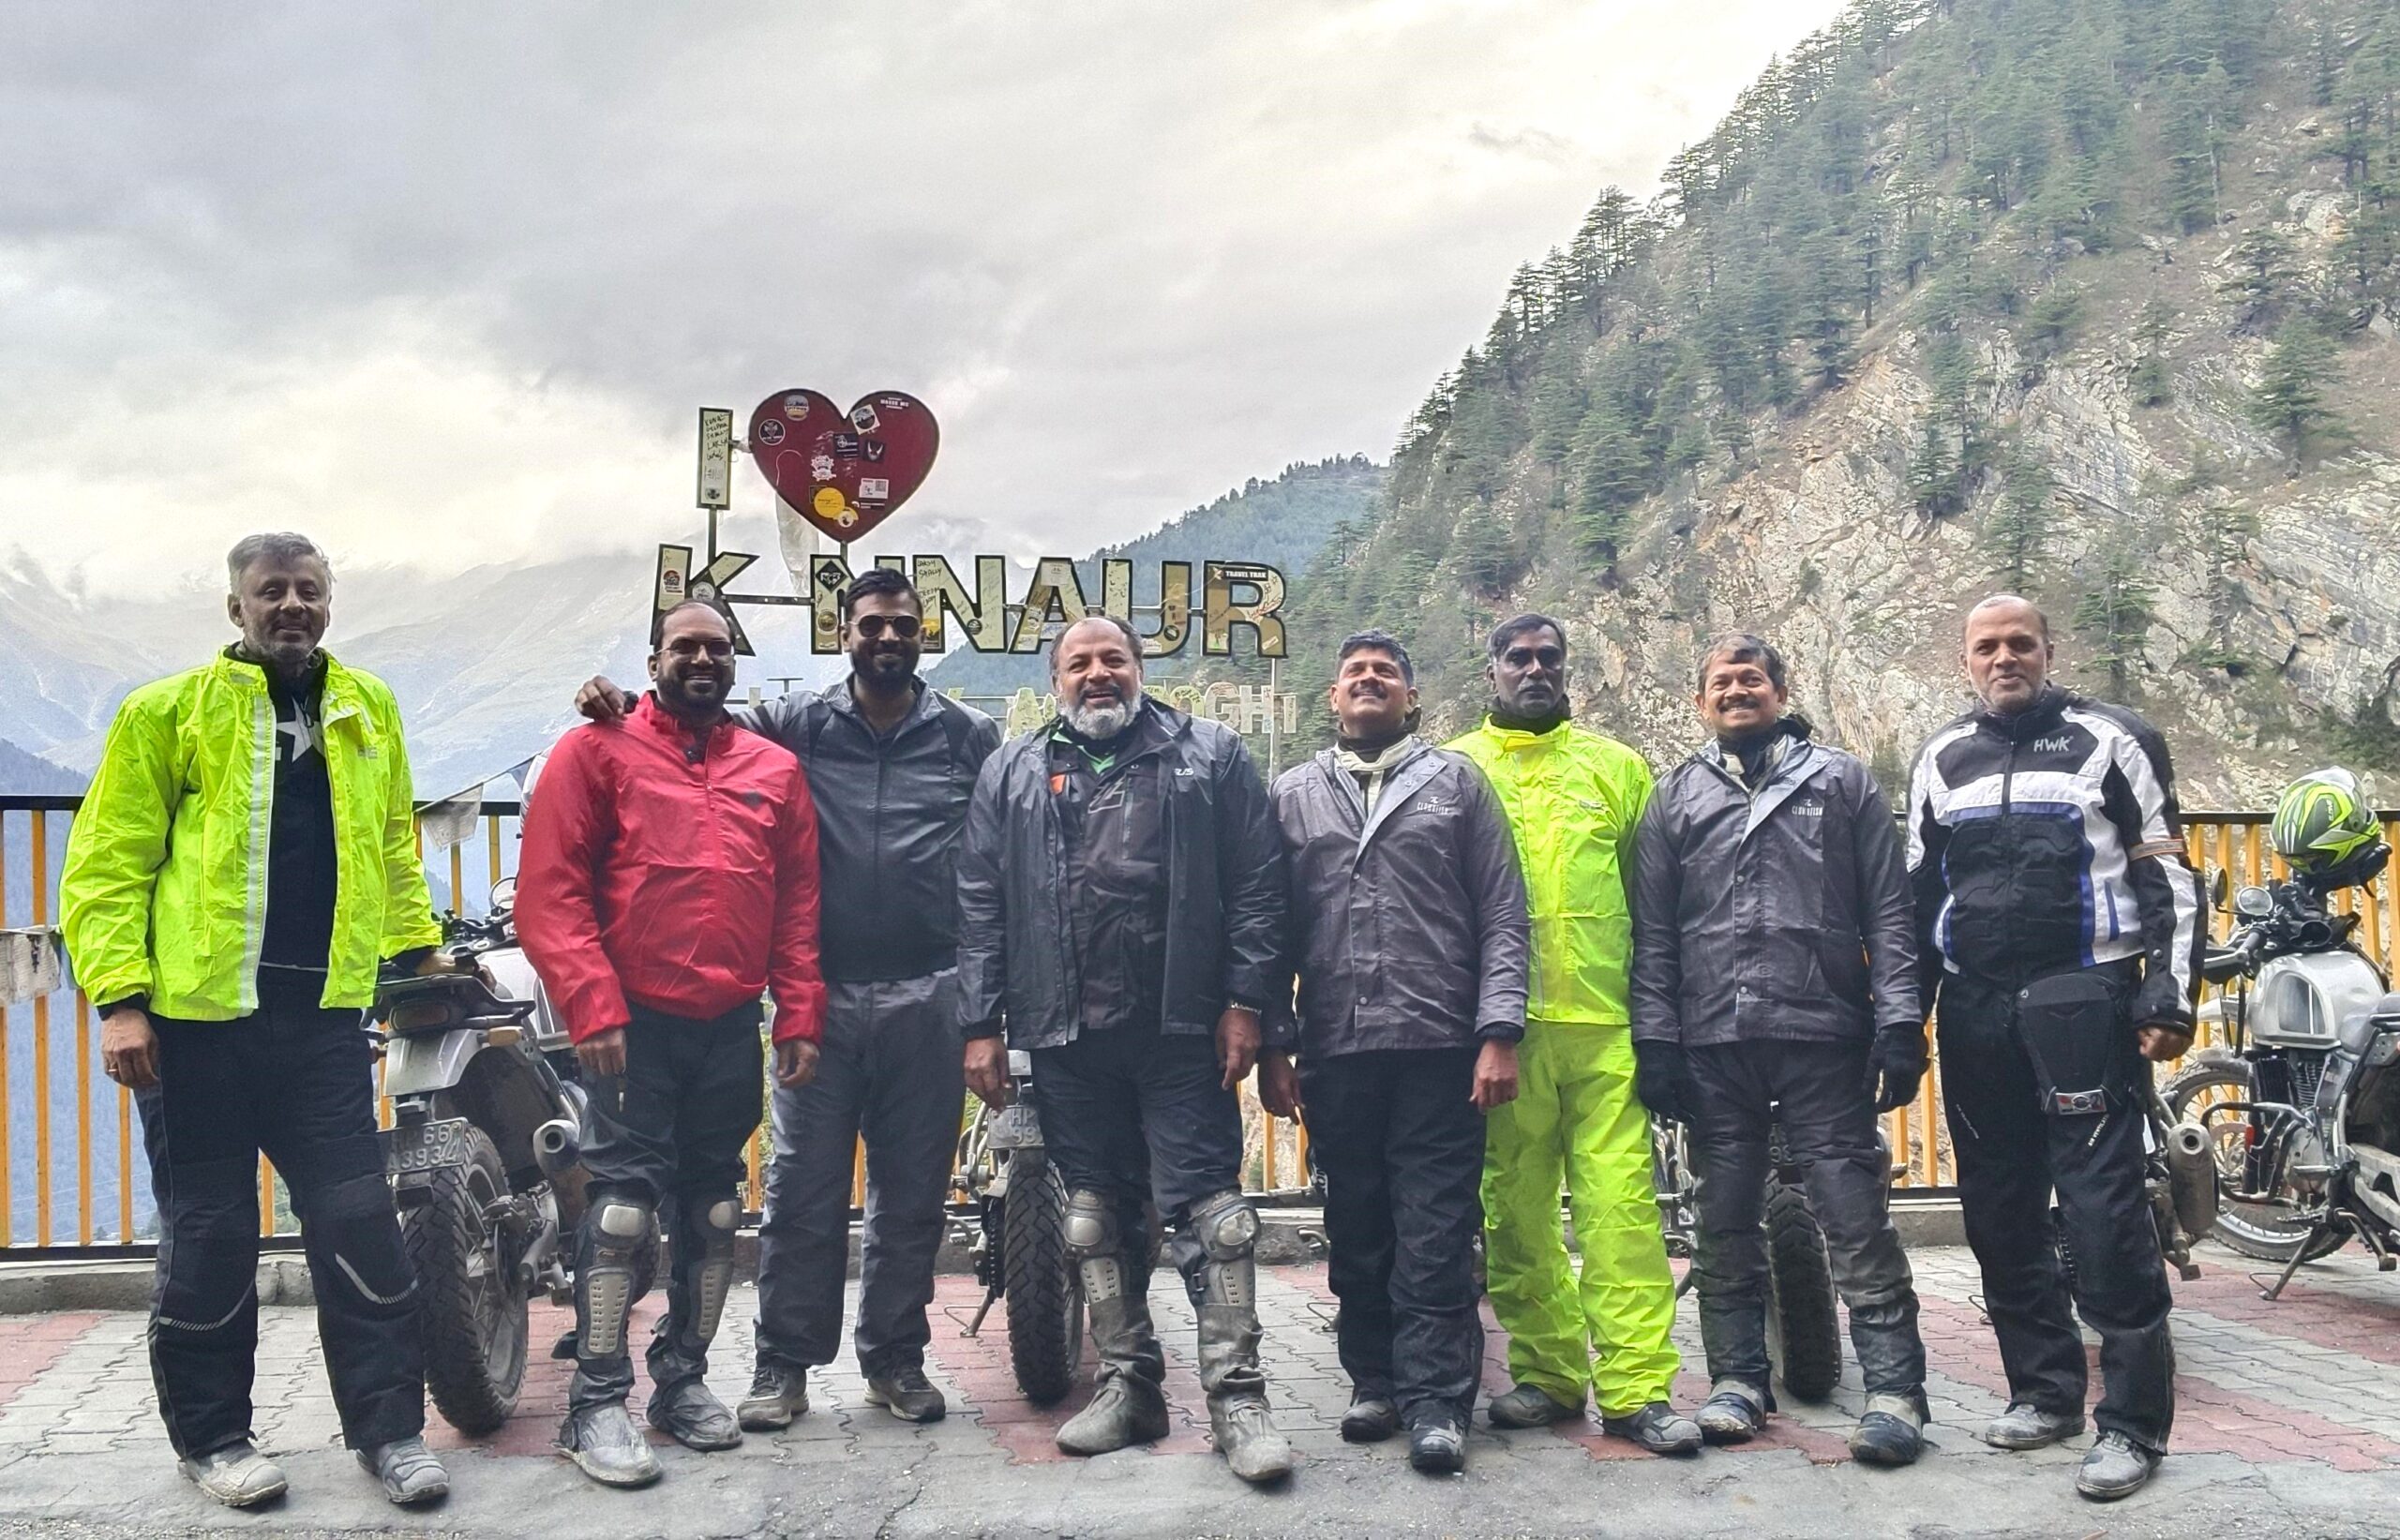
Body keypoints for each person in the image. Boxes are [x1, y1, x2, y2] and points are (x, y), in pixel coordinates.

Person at [60, 532, 449, 1509]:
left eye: (308, 590)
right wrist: (120, 1000)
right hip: (195, 1030)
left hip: (321, 1022)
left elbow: (392, 847)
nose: (291, 606)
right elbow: (107, 865)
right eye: (270, 591)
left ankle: (390, 1430)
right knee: (213, 1231)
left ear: (329, 602)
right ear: (235, 607)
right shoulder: (168, 712)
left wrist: (419, 952)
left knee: (359, 1220)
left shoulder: (368, 706)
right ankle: (215, 1440)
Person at [571, 567, 999, 1430]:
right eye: (871, 624)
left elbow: (995, 863)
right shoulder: (795, 725)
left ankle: (895, 1359)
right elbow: (688, 731)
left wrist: (986, 1005)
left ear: (925, 634)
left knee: (912, 1193)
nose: (887, 637)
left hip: (932, 991)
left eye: (903, 625)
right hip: (818, 996)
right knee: (801, 1191)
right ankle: (783, 1366)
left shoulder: (968, 735)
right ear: (844, 634)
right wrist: (615, 701)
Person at [955, 613, 1293, 1482]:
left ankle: (1239, 1399)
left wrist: (1245, 1002)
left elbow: (1260, 885)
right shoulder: (1013, 770)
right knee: (1093, 1218)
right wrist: (980, 1022)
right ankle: (1129, 1385)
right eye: (1079, 662)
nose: (1097, 673)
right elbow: (981, 901)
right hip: (1064, 1028)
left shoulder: (1209, 755)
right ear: (1056, 680)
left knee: (1217, 1221)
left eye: (1113, 658)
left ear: (1141, 669)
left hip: (1181, 1028)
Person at [518, 600, 827, 1489]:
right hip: (630, 1026)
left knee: (714, 1211)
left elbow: (797, 904)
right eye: (684, 645)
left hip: (729, 1023)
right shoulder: (595, 749)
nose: (702, 659)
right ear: (653, 659)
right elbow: (551, 891)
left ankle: (681, 1382)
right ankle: (594, 1403)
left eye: (717, 647)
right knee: (621, 1211)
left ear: (735, 661)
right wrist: (592, 1003)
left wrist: (798, 1013)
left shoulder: (774, 769)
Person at [1906, 594, 2201, 1503]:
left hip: (2084, 998)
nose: (2005, 658)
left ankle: (2133, 1425)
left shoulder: (2112, 738)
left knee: (2103, 1213)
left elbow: (2168, 871)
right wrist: (1899, 1021)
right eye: (1987, 646)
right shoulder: (1940, 757)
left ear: (2047, 649)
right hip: (1973, 1007)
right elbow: (1916, 900)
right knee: (1997, 1211)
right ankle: (2044, 1393)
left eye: (2020, 643)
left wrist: (2168, 993)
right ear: (1965, 660)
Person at [1628, 634, 1929, 1466]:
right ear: (1700, 702)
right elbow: (1655, 935)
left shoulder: (1842, 782)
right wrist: (1656, 1039)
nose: (1737, 691)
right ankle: (1737, 1381)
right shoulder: (1674, 798)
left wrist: (1901, 1022)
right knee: (1722, 1221)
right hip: (1713, 1041)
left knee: (1854, 1215)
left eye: (1752, 679)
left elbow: (1890, 911)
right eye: (1722, 682)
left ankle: (1896, 1393)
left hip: (1822, 1033)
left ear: (1780, 692)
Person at [1259, 630, 1529, 1474]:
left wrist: (1498, 1032)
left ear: (1412, 697)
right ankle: (1373, 1380)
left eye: (1386, 672)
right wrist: (1276, 1041)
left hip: (1440, 1046)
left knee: (1436, 1228)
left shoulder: (1458, 782)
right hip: (1338, 1047)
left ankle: (1439, 1400)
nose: (1369, 680)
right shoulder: (1293, 794)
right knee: (1358, 1226)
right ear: (1333, 697)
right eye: (1355, 673)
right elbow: (1267, 928)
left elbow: (1503, 913)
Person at [1447, 614, 1701, 1456]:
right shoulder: (1456, 769)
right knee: (1514, 1214)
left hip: (1606, 1029)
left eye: (1548, 658)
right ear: (1491, 671)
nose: (1534, 669)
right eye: (1517, 658)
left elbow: (1658, 907)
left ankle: (1636, 1390)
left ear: (1567, 671)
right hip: (1503, 1035)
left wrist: (1660, 1025)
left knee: (1621, 1214)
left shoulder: (1618, 768)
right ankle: (1549, 1373)